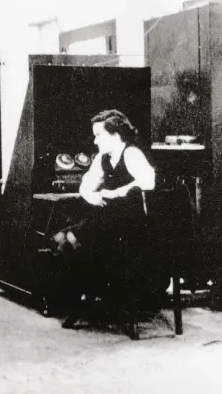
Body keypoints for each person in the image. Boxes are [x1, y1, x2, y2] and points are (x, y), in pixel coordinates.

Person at [57, 109, 156, 329]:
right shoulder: (103, 158)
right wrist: (93, 196)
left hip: (130, 223)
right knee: (62, 238)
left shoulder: (131, 154)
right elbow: (87, 184)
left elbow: (148, 182)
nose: (95, 140)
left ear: (115, 135)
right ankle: (87, 294)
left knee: (72, 239)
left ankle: (84, 299)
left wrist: (115, 193)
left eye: (98, 135)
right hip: (108, 217)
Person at [158, 70, 205, 141]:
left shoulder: (200, 109)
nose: (188, 90)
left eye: (191, 86)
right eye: (185, 86)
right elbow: (164, 132)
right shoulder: (174, 108)